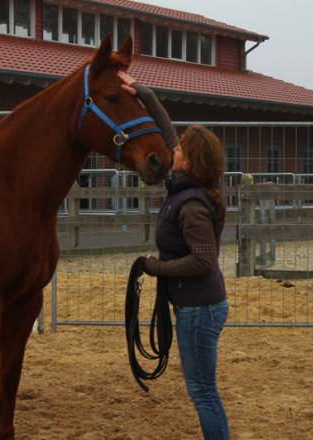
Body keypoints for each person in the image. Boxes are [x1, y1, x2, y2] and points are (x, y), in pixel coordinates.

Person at [119, 70, 230, 440]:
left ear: (190, 159)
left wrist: (156, 269)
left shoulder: (192, 204)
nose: (173, 149)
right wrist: (144, 93)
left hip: (200, 309)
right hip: (196, 305)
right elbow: (168, 131)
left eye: (180, 148)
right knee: (202, 389)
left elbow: (203, 260)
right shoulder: (188, 184)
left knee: (203, 391)